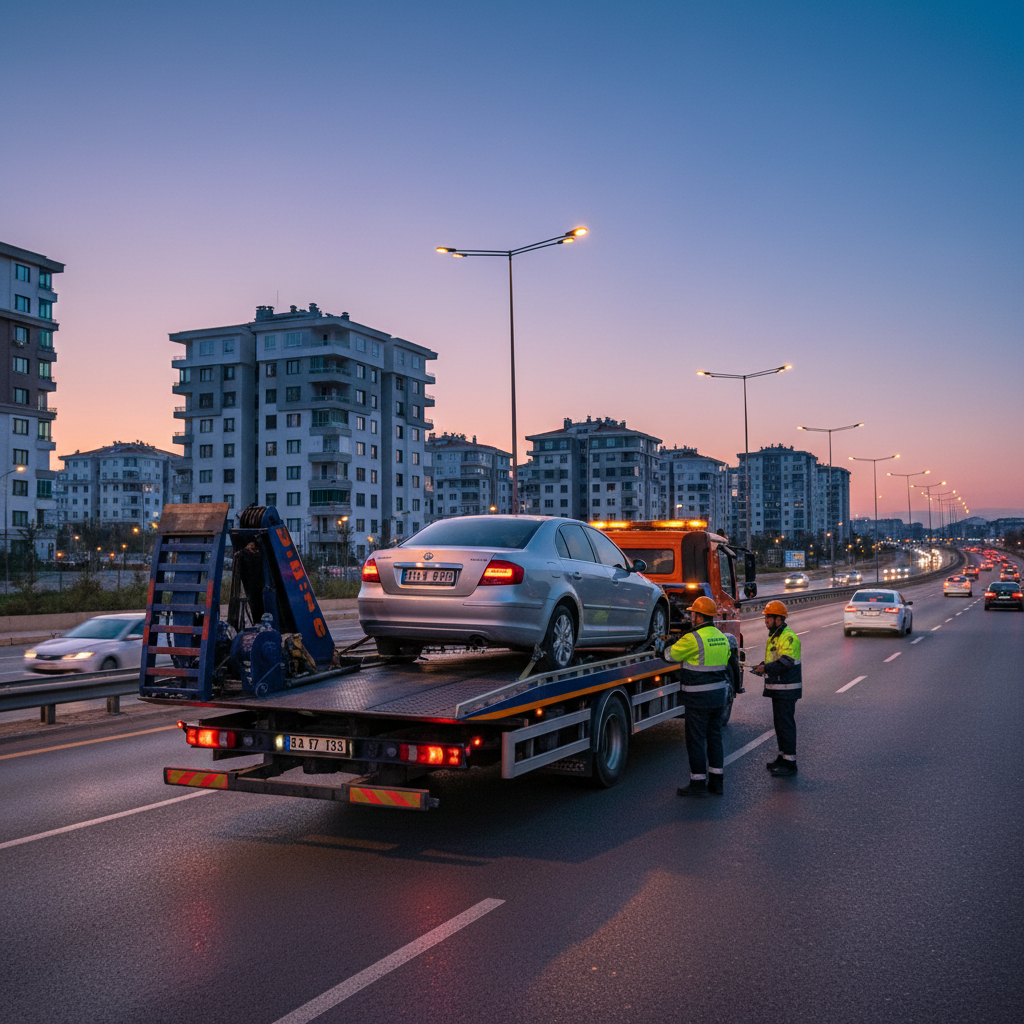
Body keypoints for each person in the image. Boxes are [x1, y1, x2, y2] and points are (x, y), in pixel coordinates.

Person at [662, 596, 732, 797]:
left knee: (696, 740)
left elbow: (670, 655)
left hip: (698, 698)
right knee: (715, 738)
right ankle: (717, 783)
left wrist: (663, 647)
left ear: (700, 617)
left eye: (693, 614)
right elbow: (725, 662)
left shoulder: (693, 638)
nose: (691, 617)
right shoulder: (722, 637)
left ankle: (698, 784)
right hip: (719, 696)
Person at [750, 599, 802, 777]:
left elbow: (786, 663)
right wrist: (762, 667)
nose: (765, 621)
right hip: (779, 688)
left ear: (779, 619)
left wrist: (766, 668)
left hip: (787, 689)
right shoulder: (775, 636)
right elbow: (775, 661)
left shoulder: (788, 637)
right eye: (765, 617)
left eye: (769, 617)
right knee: (779, 725)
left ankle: (790, 763)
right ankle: (783, 756)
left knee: (785, 725)